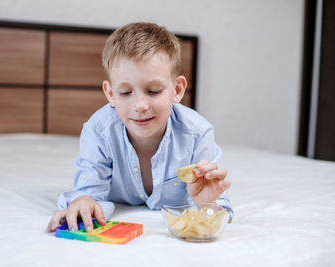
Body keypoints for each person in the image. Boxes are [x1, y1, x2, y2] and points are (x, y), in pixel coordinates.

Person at [46, 22, 232, 233]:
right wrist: (83, 202)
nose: (140, 106)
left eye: (153, 91)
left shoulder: (198, 132)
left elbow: (219, 205)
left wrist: (207, 205)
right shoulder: (98, 131)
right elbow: (89, 193)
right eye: (125, 93)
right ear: (110, 94)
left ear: (177, 89)